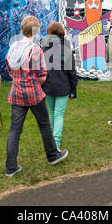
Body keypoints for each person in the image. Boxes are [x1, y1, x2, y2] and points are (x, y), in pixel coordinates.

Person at [5, 16, 68, 177]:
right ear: (36, 31)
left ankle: (11, 167)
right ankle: (53, 155)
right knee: (44, 124)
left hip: (17, 94)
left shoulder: (13, 48)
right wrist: (34, 81)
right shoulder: (35, 50)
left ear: (21, 29)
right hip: (33, 94)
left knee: (15, 130)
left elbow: (10, 71)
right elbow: (42, 75)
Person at [41, 22, 78, 150]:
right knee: (58, 114)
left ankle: (53, 142)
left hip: (49, 86)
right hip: (62, 86)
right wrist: (73, 90)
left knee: (53, 113)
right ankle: (55, 144)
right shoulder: (65, 48)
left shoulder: (44, 47)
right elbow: (72, 71)